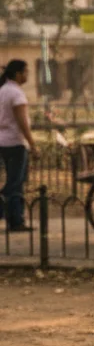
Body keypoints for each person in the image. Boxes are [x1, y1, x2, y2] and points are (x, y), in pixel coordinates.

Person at [0, 59, 38, 232]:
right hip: (15, 142)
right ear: (17, 74)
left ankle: (12, 217)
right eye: (25, 71)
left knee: (13, 181)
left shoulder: (3, 90)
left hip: (2, 141)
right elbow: (22, 122)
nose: (27, 75)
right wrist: (32, 143)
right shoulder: (16, 94)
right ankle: (15, 220)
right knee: (16, 183)